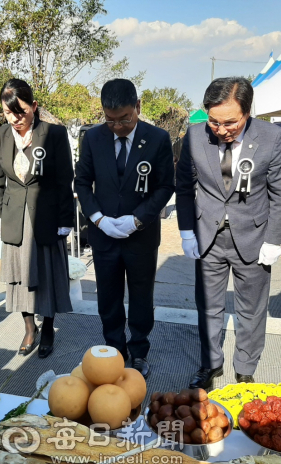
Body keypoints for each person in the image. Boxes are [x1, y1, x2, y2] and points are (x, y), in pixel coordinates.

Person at [176, 77, 281, 389]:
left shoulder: (271, 138)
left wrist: (274, 239)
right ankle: (210, 364)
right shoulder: (194, 137)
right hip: (208, 236)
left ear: (247, 112)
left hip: (253, 236)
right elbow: (185, 188)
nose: (222, 130)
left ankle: (245, 368)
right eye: (214, 121)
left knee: (251, 310)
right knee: (209, 307)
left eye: (230, 122)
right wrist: (187, 231)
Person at [74, 78, 175, 379]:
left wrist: (137, 219)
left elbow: (165, 185)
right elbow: (82, 182)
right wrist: (98, 218)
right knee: (108, 297)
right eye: (111, 120)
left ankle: (140, 350)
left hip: (140, 236)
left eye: (125, 119)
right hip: (104, 235)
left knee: (142, 296)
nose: (118, 126)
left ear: (138, 107)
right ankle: (115, 350)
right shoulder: (92, 138)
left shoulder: (157, 138)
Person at [0, 79, 74, 358]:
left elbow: (64, 179)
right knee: (20, 277)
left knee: (46, 276)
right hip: (15, 218)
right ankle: (29, 327)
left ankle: (47, 327)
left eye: (21, 112)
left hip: (46, 218)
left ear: (34, 107)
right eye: (7, 113)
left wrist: (66, 220)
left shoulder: (54, 134)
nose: (15, 119)